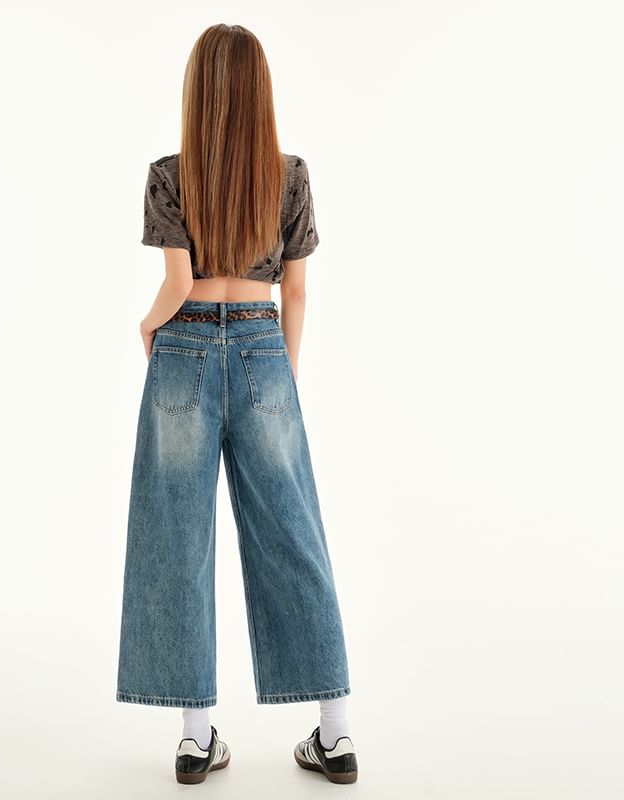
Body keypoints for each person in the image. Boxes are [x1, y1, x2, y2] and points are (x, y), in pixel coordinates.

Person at [115, 23, 358, 785]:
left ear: (198, 93)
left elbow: (180, 284)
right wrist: (280, 371)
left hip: (183, 349)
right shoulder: (289, 175)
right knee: (293, 532)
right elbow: (298, 291)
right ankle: (336, 735)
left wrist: (147, 327)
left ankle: (195, 740)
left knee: (176, 538)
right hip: (262, 347)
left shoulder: (168, 174)